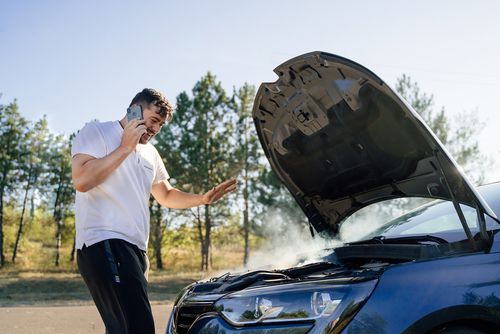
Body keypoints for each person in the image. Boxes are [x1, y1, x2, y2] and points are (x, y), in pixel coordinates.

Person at [71, 88, 237, 334]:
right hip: (104, 240)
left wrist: (202, 199)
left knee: (123, 328)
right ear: (134, 110)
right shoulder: (98, 132)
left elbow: (166, 195)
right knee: (138, 327)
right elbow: (82, 180)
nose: (156, 129)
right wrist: (125, 147)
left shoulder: (150, 153)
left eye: (161, 125)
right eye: (154, 120)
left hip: (136, 250)